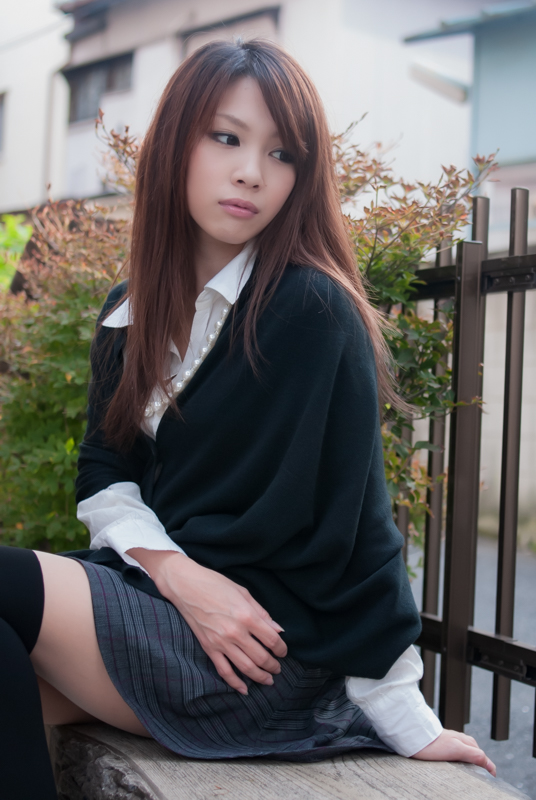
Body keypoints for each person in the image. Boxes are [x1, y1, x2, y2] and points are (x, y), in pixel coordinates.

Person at [0, 38, 495, 800]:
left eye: (282, 153)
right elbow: (104, 471)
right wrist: (181, 578)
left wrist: (403, 712)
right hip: (168, 611)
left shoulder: (311, 309)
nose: (252, 173)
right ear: (176, 143)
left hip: (258, 655)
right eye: (226, 138)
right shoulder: (129, 314)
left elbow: (361, 521)